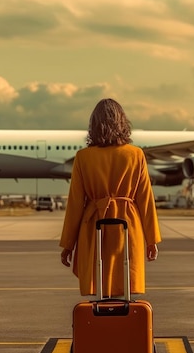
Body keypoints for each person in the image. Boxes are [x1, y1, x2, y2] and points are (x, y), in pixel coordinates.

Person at [60, 98, 161, 297]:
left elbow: (75, 205)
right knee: (124, 283)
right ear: (123, 123)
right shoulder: (136, 155)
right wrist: (152, 240)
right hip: (127, 225)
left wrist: (68, 245)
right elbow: (145, 200)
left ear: (93, 125)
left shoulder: (83, 157)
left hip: (94, 225)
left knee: (99, 281)